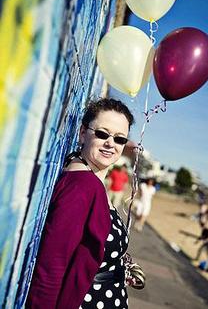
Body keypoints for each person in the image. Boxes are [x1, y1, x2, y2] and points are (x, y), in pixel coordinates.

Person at [26, 98, 135, 309]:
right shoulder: (83, 186)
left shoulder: (90, 180)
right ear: (83, 133)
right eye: (102, 134)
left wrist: (115, 268)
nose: (111, 144)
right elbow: (51, 267)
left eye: (120, 139)